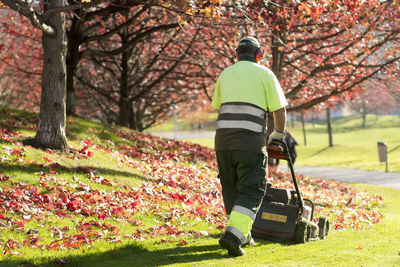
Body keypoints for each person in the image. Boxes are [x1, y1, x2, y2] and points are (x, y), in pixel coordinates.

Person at [211, 36, 288, 256]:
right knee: (252, 190)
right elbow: (279, 110)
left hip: (223, 143)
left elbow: (218, 105)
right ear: (258, 54)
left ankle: (242, 234)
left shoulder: (225, 73)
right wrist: (279, 134)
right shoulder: (265, 74)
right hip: (250, 143)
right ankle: (234, 236)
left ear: (237, 54)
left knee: (232, 188)